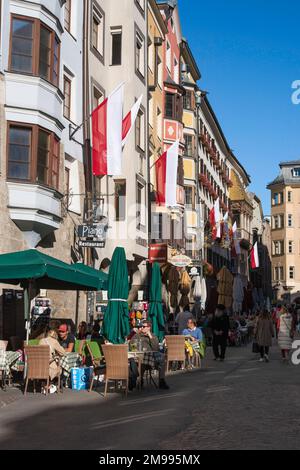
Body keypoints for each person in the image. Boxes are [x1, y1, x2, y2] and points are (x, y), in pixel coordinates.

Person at [129, 320, 169, 390]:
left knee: (162, 358)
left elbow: (156, 348)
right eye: (141, 326)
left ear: (149, 327)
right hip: (139, 359)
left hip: (151, 359)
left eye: (143, 326)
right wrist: (135, 347)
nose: (141, 328)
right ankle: (137, 380)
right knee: (135, 359)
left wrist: (150, 336)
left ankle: (162, 381)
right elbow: (132, 347)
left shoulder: (153, 336)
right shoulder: (137, 335)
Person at [39, 329, 66, 393]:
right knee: (60, 368)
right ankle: (55, 385)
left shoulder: (41, 341)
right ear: (55, 335)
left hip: (40, 367)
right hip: (49, 367)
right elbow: (63, 353)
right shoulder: (54, 341)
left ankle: (45, 385)